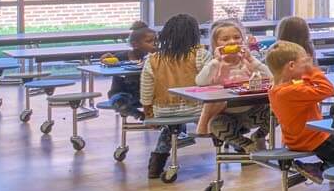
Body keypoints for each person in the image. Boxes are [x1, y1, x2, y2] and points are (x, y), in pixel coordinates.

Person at [264, 40, 334, 191]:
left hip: (296, 139)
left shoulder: (276, 89)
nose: (308, 65)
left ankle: (323, 170)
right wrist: (311, 70)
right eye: (304, 62)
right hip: (315, 138)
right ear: (291, 66)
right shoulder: (293, 90)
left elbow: (306, 91)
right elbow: (329, 89)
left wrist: (305, 73)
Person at [139, 13, 205, 179]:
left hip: (163, 110)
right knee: (218, 122)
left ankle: (155, 166)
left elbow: (146, 89)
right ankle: (241, 150)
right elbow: (209, 81)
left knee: (171, 127)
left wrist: (148, 111)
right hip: (196, 108)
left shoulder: (153, 59)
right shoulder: (200, 55)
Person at [194, 18, 269, 146]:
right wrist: (216, 61)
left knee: (278, 110)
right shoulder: (214, 64)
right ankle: (246, 144)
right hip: (227, 115)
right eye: (225, 39)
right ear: (216, 44)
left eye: (236, 37)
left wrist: (251, 59)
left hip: (252, 110)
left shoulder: (247, 61)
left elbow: (270, 76)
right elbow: (200, 81)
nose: (232, 41)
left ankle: (259, 135)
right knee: (215, 125)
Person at [105, 24, 156, 116]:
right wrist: (106, 60)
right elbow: (107, 64)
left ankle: (167, 124)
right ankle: (136, 114)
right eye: (149, 41)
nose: (155, 44)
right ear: (135, 45)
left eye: (156, 41)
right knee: (118, 99)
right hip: (123, 93)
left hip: (147, 95)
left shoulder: (156, 58)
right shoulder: (121, 57)